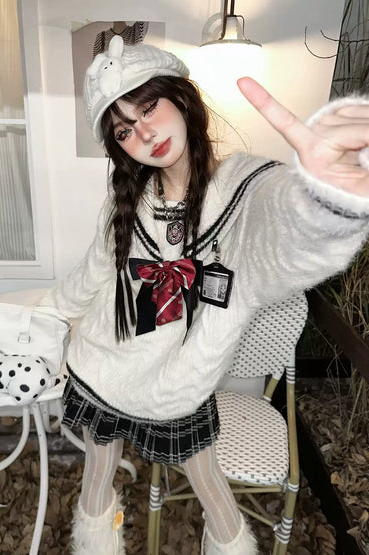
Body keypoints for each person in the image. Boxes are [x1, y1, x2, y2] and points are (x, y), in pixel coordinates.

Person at [39, 34, 369, 554]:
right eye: (124, 130)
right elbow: (90, 275)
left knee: (214, 494)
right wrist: (42, 318)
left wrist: (325, 197)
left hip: (179, 379)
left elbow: (282, 229)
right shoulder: (128, 198)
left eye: (149, 107)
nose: (144, 133)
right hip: (104, 362)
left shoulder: (240, 185)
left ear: (180, 97)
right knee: (96, 480)